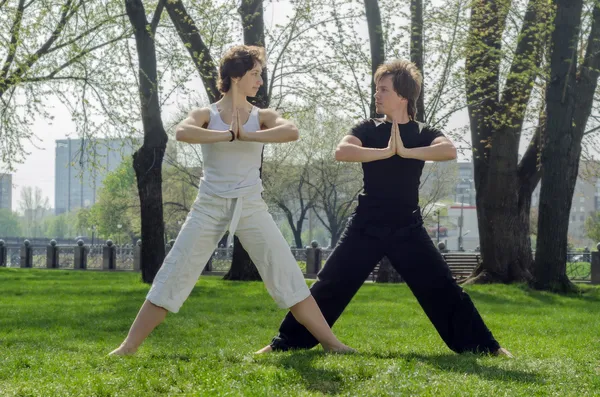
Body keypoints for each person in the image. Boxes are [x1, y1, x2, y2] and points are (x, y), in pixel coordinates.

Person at [257, 59, 512, 357]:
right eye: (377, 89)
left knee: (442, 287)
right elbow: (343, 151)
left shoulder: (423, 131)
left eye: (383, 90)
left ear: (403, 96)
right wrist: (385, 152)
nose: (377, 95)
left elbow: (449, 150)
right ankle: (284, 343)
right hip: (366, 225)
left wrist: (406, 151)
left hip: (407, 227)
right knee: (330, 284)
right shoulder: (368, 128)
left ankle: (486, 347)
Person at [109, 45, 353, 356]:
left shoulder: (261, 116)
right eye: (255, 74)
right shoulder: (206, 115)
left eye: (260, 75)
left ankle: (332, 344)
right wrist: (226, 135)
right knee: (175, 271)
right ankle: (128, 347)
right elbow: (183, 132)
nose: (260, 81)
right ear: (236, 77)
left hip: (250, 206)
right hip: (208, 206)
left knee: (286, 272)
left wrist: (249, 136)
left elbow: (290, 131)